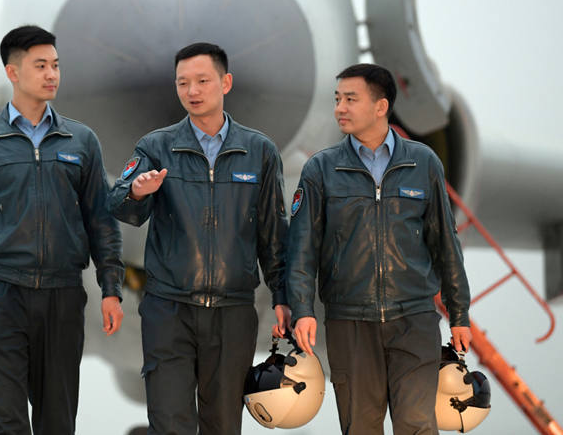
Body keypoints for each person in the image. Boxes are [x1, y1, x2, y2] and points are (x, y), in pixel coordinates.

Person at [0, 25, 125, 435]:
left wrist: (111, 288)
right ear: (13, 72)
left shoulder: (82, 141)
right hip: (0, 293)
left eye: (55, 65)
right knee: (3, 417)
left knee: (58, 419)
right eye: (41, 66)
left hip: (63, 294)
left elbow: (101, 220)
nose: (52, 74)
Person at [107, 42, 291, 435]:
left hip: (233, 312)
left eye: (202, 81)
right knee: (169, 422)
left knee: (222, 425)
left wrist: (283, 296)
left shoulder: (259, 151)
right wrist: (136, 191)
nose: (192, 91)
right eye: (183, 83)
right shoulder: (155, 147)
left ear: (226, 83)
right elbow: (122, 208)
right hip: (168, 310)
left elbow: (273, 234)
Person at [286, 63, 472, 435]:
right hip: (349, 323)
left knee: (417, 424)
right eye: (337, 99)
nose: (340, 108)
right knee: (360, 427)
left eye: (350, 99)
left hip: (414, 320)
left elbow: (445, 243)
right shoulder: (320, 169)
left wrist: (459, 313)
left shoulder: (423, 163)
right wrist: (302, 310)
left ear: (380, 106)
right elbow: (302, 247)